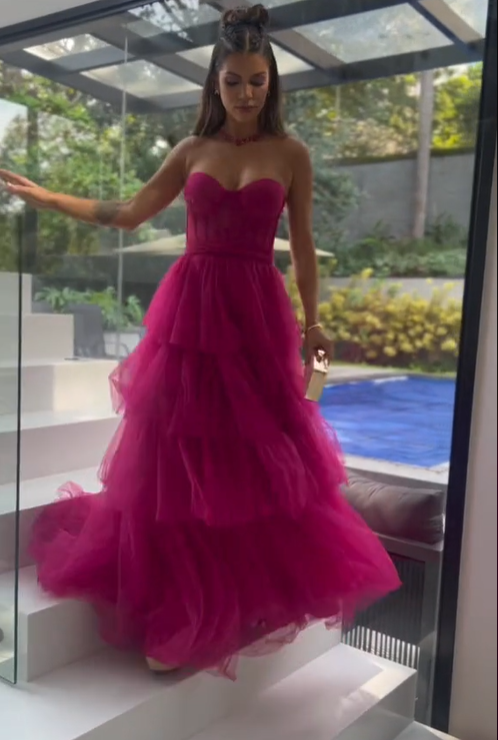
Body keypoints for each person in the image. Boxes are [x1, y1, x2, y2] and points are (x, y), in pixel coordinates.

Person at [0, 4, 400, 677]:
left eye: (257, 81)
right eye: (234, 81)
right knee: (175, 450)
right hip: (191, 311)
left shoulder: (291, 153)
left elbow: (303, 248)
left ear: (271, 83)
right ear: (215, 81)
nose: (246, 94)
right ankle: (181, 605)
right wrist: (48, 200)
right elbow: (128, 213)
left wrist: (315, 324)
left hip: (255, 314)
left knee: (253, 454)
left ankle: (243, 596)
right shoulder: (191, 150)